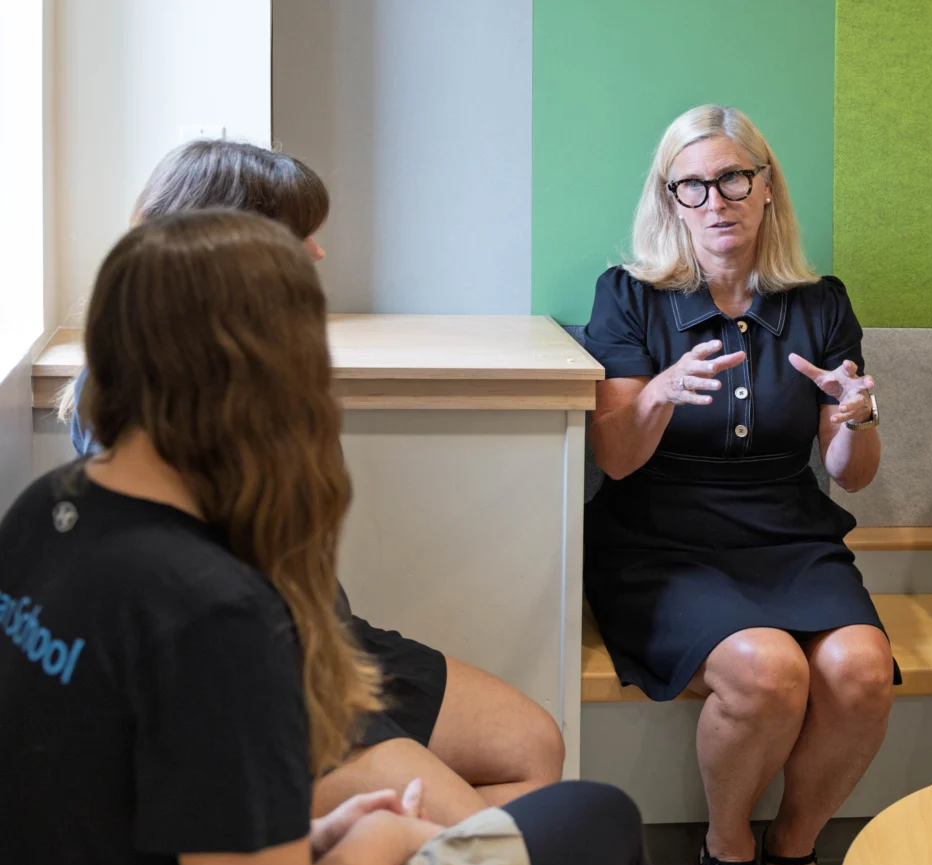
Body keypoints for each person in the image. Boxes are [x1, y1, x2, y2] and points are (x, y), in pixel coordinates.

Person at [0, 210, 786, 865]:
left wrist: (307, 844)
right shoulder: (214, 615)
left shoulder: (44, 513)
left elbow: (122, 805)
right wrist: (372, 849)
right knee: (597, 820)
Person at [59, 139, 564, 826]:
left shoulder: (263, 363)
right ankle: (376, 857)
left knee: (533, 751)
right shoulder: (133, 403)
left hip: (323, 639)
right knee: (484, 841)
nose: (318, 253)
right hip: (261, 685)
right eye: (300, 234)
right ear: (227, 243)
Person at [582, 105, 894, 865]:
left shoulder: (819, 303)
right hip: (659, 536)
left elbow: (852, 471)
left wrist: (857, 413)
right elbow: (614, 455)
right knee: (766, 669)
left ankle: (792, 849)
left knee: (861, 671)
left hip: (787, 529)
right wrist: (657, 394)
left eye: (732, 179)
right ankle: (725, 850)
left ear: (764, 188)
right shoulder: (630, 296)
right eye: (691, 184)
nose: (714, 200)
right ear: (670, 199)